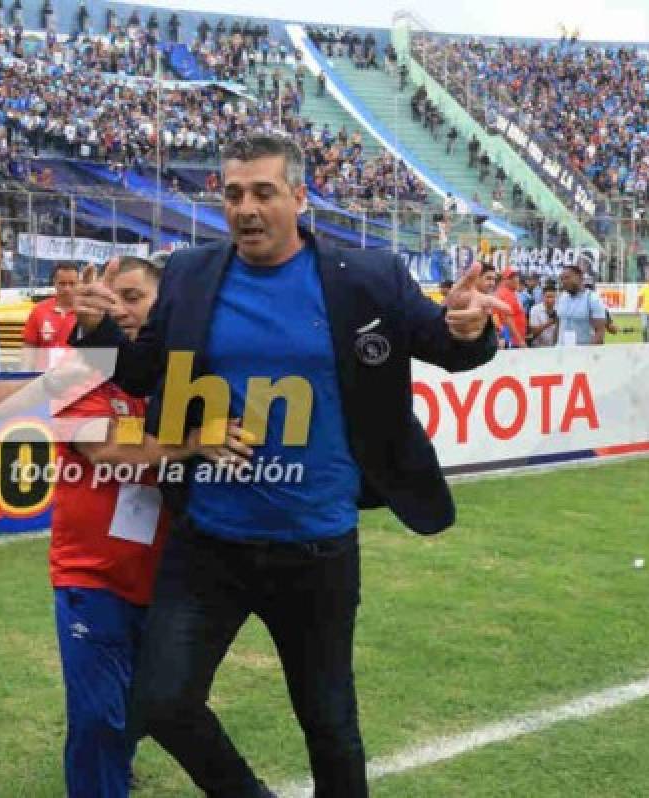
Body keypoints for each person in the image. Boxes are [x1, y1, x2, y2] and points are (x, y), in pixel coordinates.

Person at [72, 132, 503, 797]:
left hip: (317, 547)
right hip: (210, 542)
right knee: (160, 701)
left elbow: (445, 343)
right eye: (234, 193)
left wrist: (470, 328)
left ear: (299, 198)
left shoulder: (367, 279)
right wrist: (100, 332)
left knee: (330, 724)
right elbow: (139, 372)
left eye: (264, 193)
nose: (245, 207)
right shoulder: (188, 275)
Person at [52, 255, 251, 798]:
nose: (122, 308)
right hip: (93, 577)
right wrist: (193, 442)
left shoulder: (182, 377)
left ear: (167, 305)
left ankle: (113, 767)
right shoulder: (78, 372)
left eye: (135, 297)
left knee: (150, 707)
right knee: (98, 718)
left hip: (169, 579)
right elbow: (112, 450)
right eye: (113, 297)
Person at [22, 262, 79, 371]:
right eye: (62, 283)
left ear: (79, 284)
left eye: (72, 284)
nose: (67, 289)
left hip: (76, 382)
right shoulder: (39, 310)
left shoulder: (86, 313)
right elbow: (29, 347)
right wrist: (25, 375)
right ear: (55, 283)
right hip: (44, 381)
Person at [554, 264, 606, 346]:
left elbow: (599, 333)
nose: (564, 282)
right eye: (562, 279)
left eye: (567, 278)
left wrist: (587, 355)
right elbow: (558, 325)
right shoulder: (561, 297)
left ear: (580, 277)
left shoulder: (593, 299)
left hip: (582, 353)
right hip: (561, 352)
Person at [494, 267, 527, 347]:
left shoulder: (508, 293)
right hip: (511, 340)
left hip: (510, 339)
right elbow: (507, 320)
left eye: (516, 277)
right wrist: (520, 341)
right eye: (511, 278)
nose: (516, 280)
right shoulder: (506, 294)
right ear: (504, 280)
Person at [526, 280, 560, 347]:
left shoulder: (559, 309)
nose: (550, 300)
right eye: (548, 297)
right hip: (538, 348)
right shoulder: (535, 310)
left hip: (555, 347)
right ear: (543, 297)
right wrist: (548, 324)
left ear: (556, 297)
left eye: (552, 297)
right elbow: (533, 333)